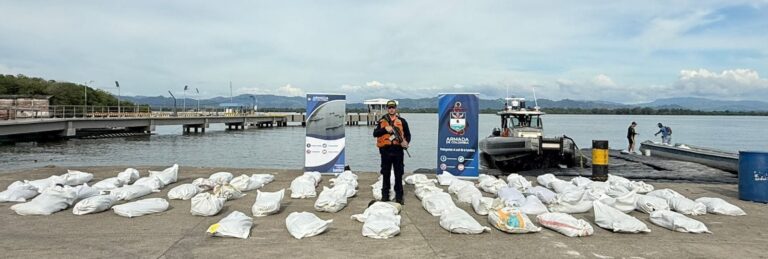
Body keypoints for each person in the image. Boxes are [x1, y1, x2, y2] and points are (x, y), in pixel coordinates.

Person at [372, 100, 411, 205]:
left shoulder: (402, 121)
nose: (391, 109)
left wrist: (406, 142)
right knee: (386, 174)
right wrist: (385, 129)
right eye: (389, 107)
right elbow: (375, 133)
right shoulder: (381, 121)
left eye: (393, 107)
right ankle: (385, 196)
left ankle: (399, 197)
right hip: (385, 151)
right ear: (387, 109)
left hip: (398, 151)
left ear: (396, 108)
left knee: (399, 174)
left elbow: (408, 134)